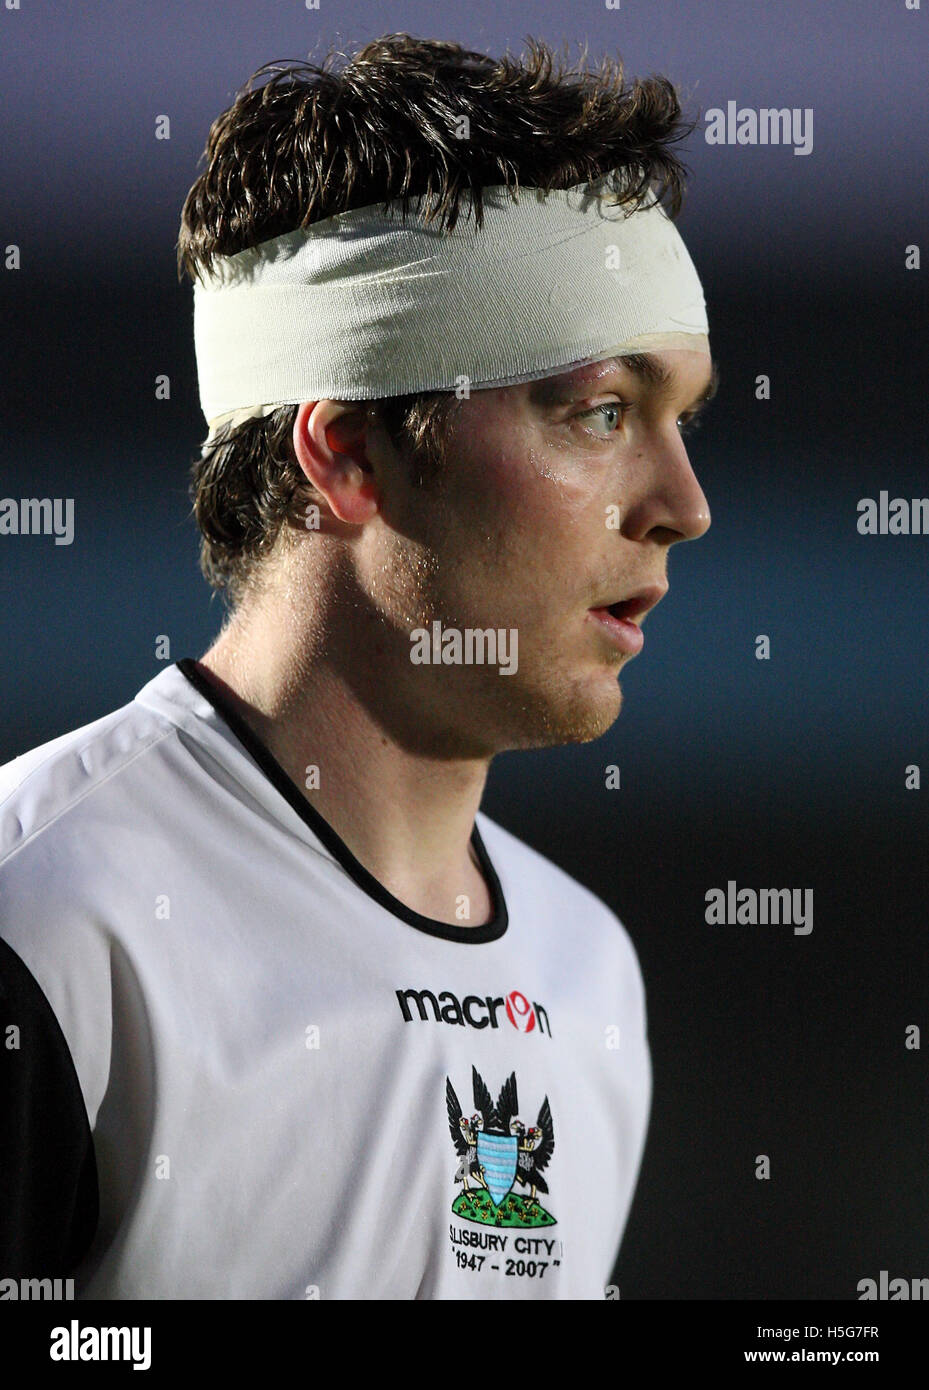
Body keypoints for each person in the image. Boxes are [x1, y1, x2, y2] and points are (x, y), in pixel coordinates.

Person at [0, 33, 716, 1299]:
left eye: (681, 420)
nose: (680, 503)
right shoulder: (49, 915)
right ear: (346, 455)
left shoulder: (583, 970)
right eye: (601, 411)